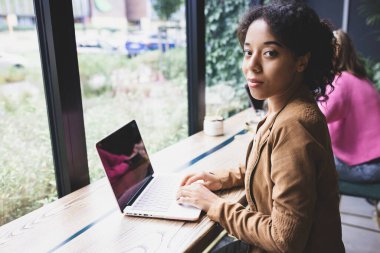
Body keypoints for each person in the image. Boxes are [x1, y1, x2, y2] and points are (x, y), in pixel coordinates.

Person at [176, 1, 345, 252]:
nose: (251, 65)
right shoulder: (284, 106)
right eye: (248, 52)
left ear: (301, 61)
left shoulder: (294, 126)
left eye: (269, 53)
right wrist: (218, 179)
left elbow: (284, 240)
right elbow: (270, 168)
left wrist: (214, 205)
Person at [319, 29, 380, 184]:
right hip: (374, 163)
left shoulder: (342, 81)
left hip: (366, 168)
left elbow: (317, 115)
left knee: (307, 157)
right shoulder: (363, 79)